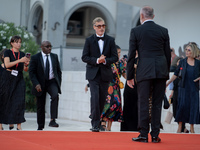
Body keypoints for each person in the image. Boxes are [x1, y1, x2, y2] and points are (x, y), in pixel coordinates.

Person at [126, 6, 171, 143]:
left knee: (144, 102)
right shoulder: (163, 31)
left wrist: (129, 76)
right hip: (161, 71)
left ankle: (144, 134)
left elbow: (131, 55)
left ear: (141, 16)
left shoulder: (136, 31)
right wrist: (166, 74)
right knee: (157, 103)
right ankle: (156, 135)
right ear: (153, 16)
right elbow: (167, 55)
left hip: (144, 70)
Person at [82, 17, 118, 132]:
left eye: (103, 26)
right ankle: (95, 124)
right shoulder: (89, 40)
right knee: (95, 98)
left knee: (102, 99)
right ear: (94, 27)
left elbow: (115, 57)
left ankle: (98, 120)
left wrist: (105, 61)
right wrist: (97, 60)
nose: (101, 28)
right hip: (93, 74)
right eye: (99, 26)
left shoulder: (110, 40)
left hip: (105, 74)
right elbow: (84, 57)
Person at [166, 43, 200, 133]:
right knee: (182, 107)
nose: (187, 52)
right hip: (183, 88)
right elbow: (176, 74)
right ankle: (180, 127)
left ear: (193, 51)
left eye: (189, 50)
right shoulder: (182, 62)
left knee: (193, 107)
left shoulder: (198, 63)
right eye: (186, 50)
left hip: (194, 89)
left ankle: (192, 128)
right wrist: (168, 82)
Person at [29, 40, 62, 130]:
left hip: (52, 82)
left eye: (50, 46)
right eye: (47, 46)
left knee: (55, 95)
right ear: (42, 47)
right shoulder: (35, 57)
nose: (49, 48)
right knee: (41, 105)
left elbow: (58, 71)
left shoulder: (54, 56)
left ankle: (53, 120)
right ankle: (40, 126)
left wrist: (58, 83)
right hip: (40, 83)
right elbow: (32, 73)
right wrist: (36, 84)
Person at [0, 35, 30, 130]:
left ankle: (19, 126)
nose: (19, 44)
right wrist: (19, 60)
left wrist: (26, 64)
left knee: (19, 101)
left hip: (19, 78)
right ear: (12, 43)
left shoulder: (22, 54)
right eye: (16, 42)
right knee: (5, 100)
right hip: (8, 78)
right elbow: (7, 65)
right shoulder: (8, 52)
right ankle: (1, 124)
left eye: (20, 42)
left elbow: (25, 70)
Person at [100, 45, 126, 131]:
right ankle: (103, 122)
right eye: (117, 52)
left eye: (119, 52)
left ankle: (109, 128)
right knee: (108, 104)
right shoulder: (107, 62)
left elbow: (124, 74)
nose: (119, 54)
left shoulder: (120, 63)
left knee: (116, 104)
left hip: (116, 87)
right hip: (107, 86)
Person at [121, 51, 138, 131]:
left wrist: (136, 66)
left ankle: (135, 127)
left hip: (138, 85)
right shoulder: (128, 58)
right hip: (128, 86)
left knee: (136, 107)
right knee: (127, 106)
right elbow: (124, 72)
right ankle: (125, 128)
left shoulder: (142, 58)